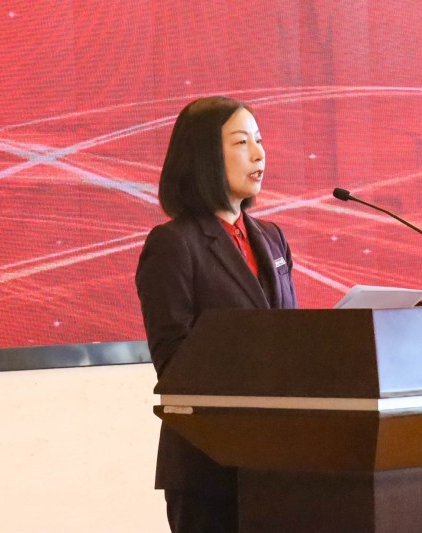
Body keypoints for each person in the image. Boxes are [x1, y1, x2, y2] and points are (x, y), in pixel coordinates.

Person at [135, 96, 298, 533]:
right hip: (209, 468)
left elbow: (291, 333)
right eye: (242, 142)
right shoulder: (174, 244)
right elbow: (174, 362)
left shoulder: (273, 238)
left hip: (280, 461)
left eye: (259, 140)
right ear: (204, 156)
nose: (259, 154)